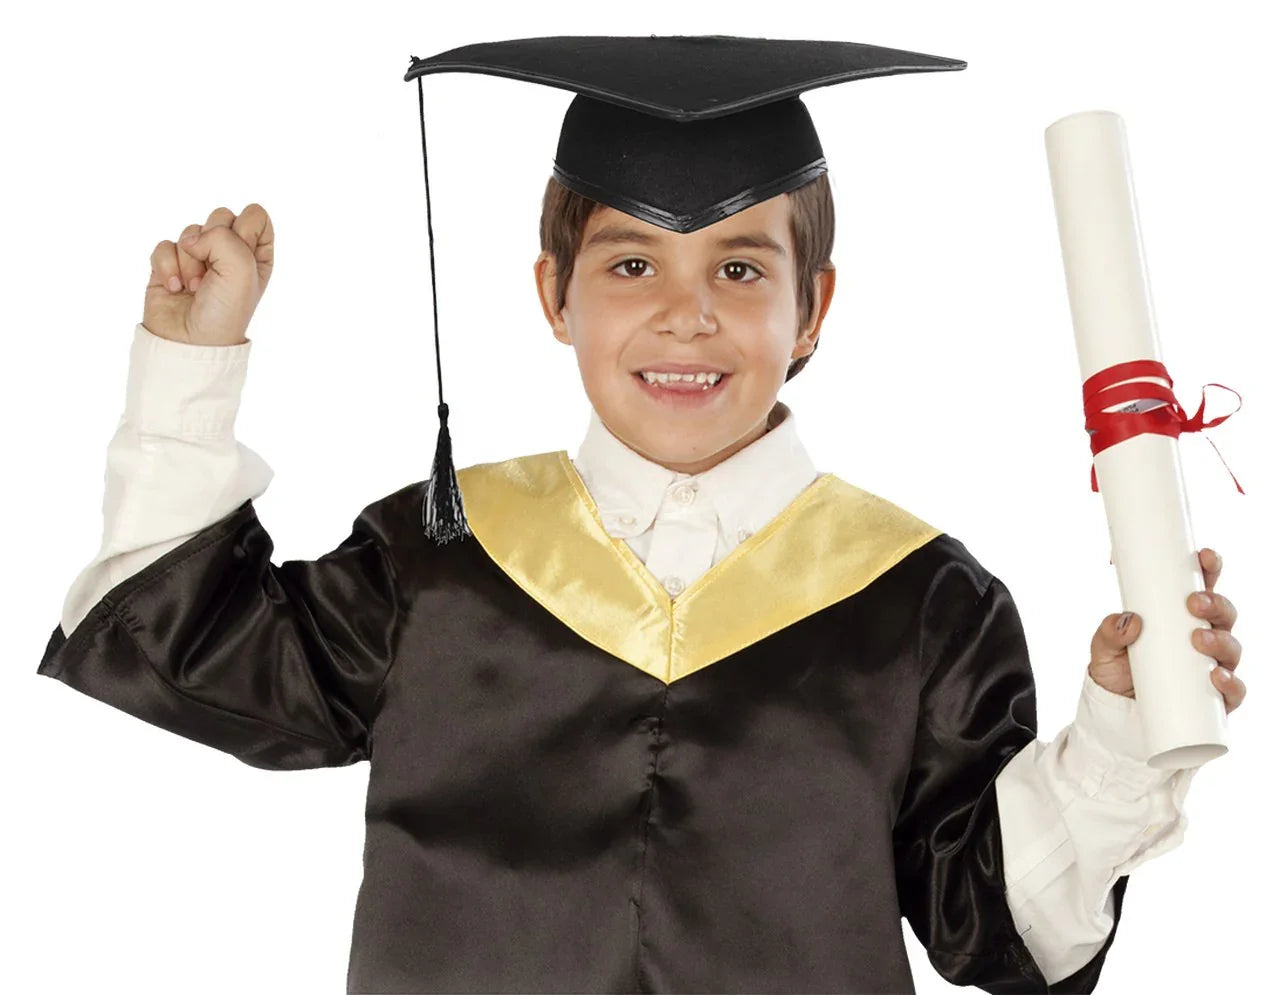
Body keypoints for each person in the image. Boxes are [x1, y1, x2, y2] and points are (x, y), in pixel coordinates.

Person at [37, 35, 1246, 994]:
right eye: (629, 265)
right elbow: (181, 644)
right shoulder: (438, 556)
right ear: (552, 295)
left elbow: (993, 926)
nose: (685, 313)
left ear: (812, 308)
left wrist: (1121, 734)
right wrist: (190, 365)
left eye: (739, 268)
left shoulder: (921, 599)